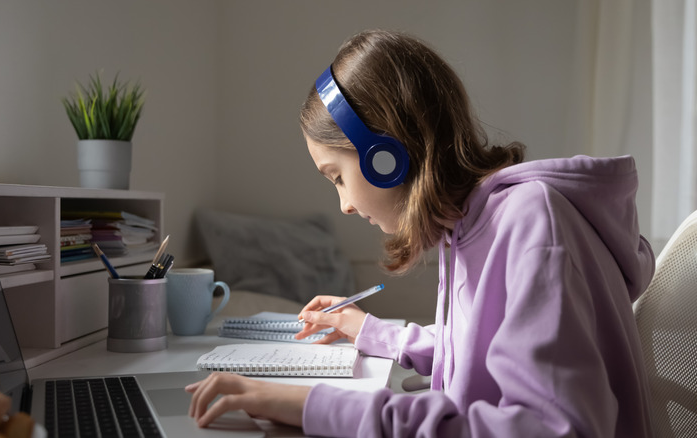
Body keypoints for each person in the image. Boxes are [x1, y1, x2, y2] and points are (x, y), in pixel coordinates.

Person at [187, 29, 655, 437]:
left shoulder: (533, 224)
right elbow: (476, 350)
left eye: (337, 177)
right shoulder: (469, 222)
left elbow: (553, 428)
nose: (345, 205)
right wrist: (366, 329)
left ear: (384, 157)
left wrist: (312, 406)